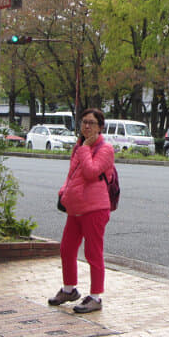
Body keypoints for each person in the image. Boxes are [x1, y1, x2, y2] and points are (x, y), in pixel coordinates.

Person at [48, 108, 115, 313]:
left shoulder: (105, 149)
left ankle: (95, 297)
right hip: (75, 207)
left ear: (100, 127)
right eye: (84, 122)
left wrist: (85, 148)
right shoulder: (79, 146)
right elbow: (72, 174)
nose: (87, 126)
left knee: (93, 252)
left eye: (92, 123)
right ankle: (69, 289)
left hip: (95, 208)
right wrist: (64, 190)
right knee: (67, 248)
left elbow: (91, 172)